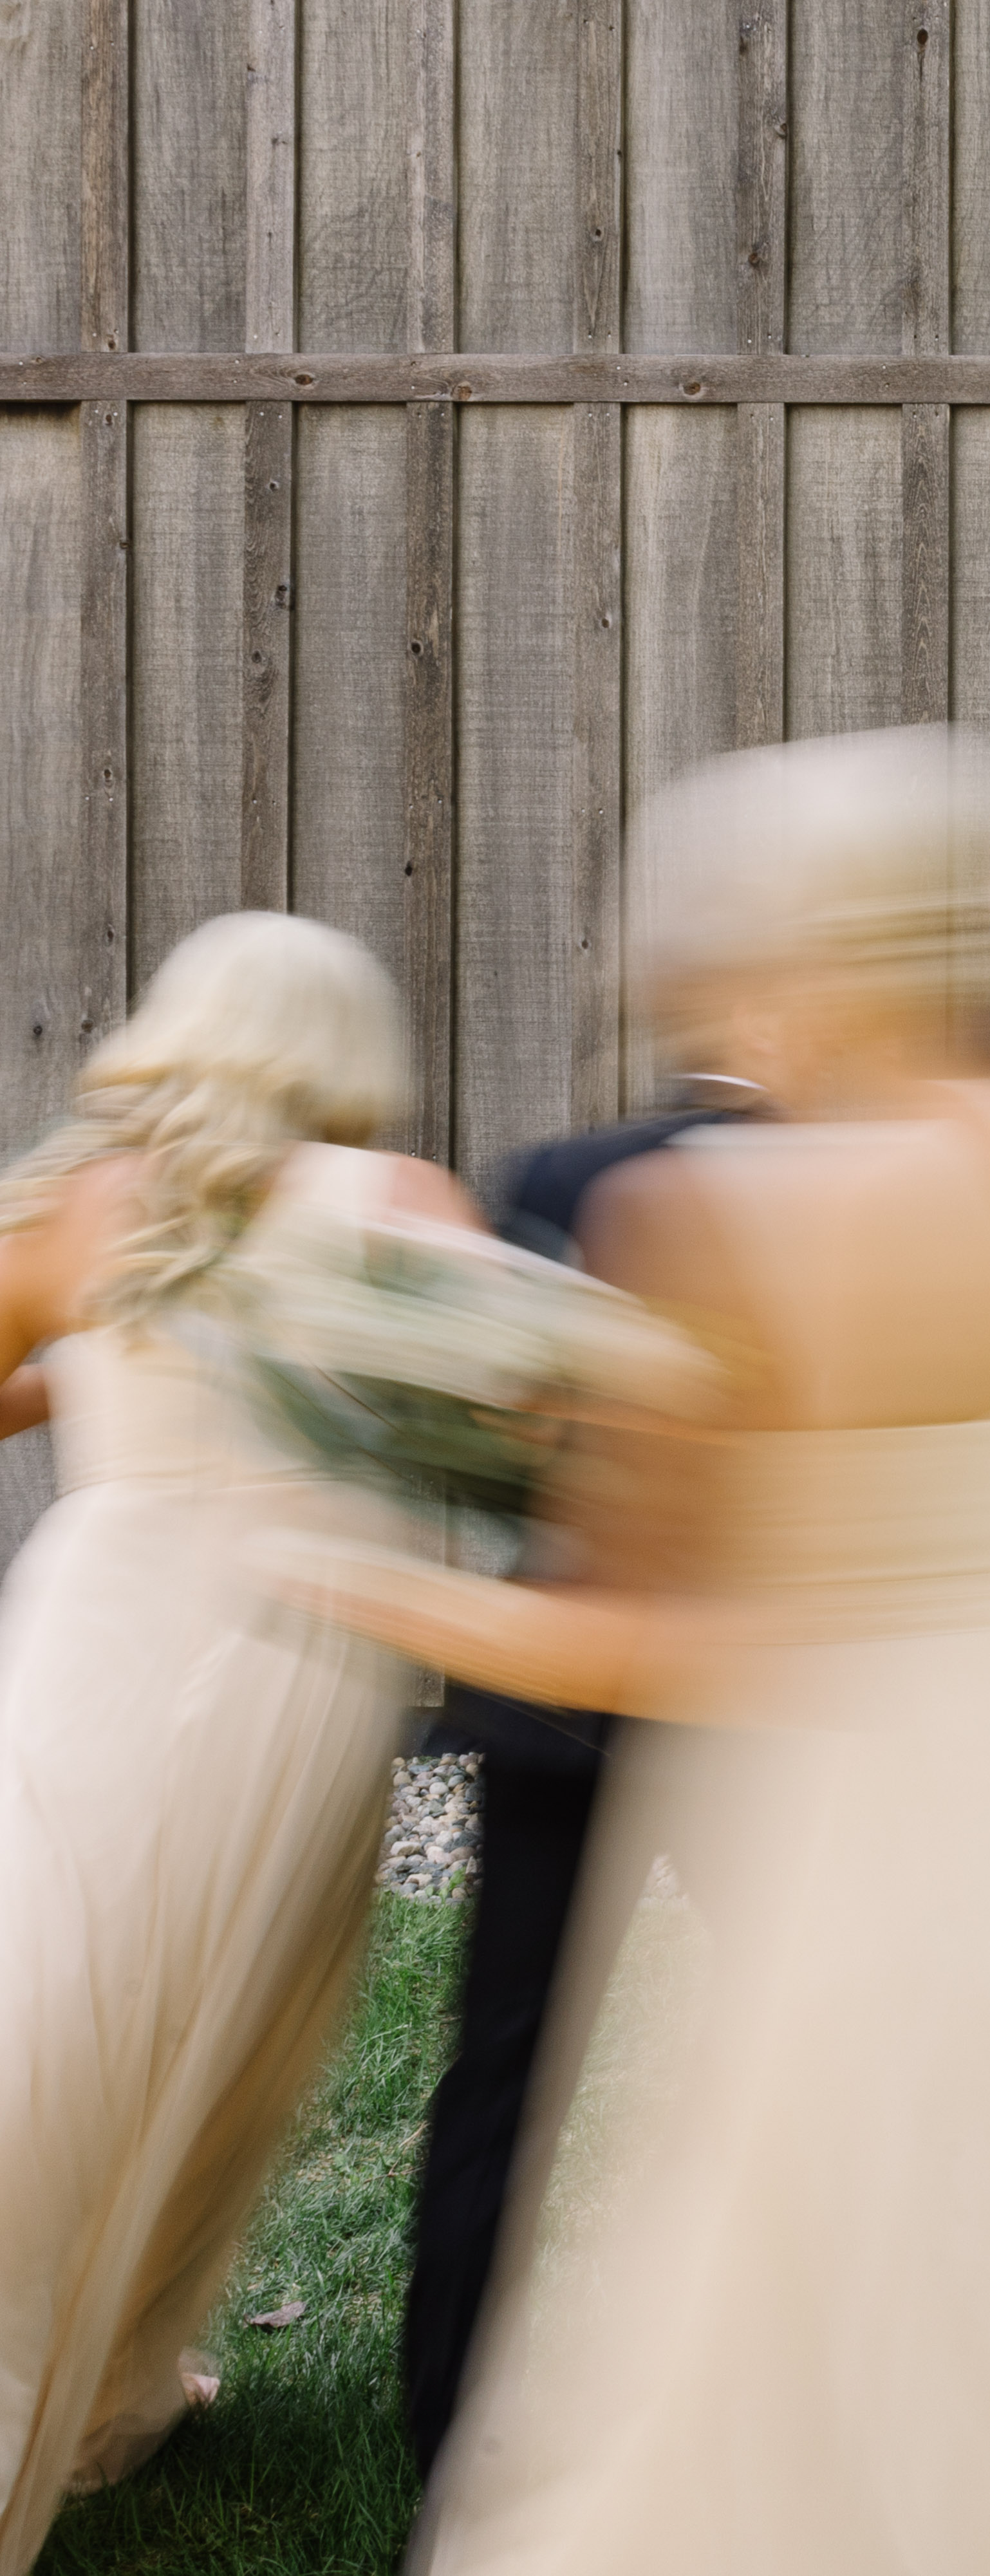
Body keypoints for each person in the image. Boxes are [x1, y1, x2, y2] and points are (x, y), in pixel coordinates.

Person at [296, 726, 990, 2576]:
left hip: (879, 1828)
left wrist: (374, 1586)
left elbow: (681, 1640)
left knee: (791, 2332)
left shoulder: (712, 1209)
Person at [0, 913, 481, 2570]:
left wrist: (108, 1354)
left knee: (46, 1989)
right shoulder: (400, 1209)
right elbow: (499, 1433)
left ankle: (60, 2363)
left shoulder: (87, 1213)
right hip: (300, 1654)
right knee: (215, 2027)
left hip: (100, 1630)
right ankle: (109, 2366)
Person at [397, 1047, 767, 2478]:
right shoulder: (849, 1184)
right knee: (810, 2028)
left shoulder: (557, 1174)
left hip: (555, 1691)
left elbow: (488, 1437)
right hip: (742, 1696)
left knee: (501, 2066)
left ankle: (443, 2435)